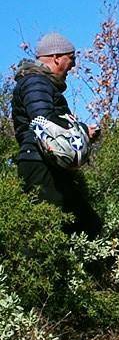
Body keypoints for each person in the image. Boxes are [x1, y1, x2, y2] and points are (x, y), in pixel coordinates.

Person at [12, 32, 101, 236]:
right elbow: (42, 121)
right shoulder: (36, 82)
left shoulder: (39, 83)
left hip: (45, 163)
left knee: (80, 227)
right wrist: (82, 130)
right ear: (57, 57)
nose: (73, 65)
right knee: (47, 231)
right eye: (72, 58)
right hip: (41, 164)